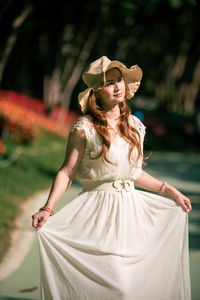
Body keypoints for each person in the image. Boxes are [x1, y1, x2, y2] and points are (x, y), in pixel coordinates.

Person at [32, 56, 192, 300]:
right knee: (117, 287)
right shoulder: (84, 127)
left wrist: (171, 191)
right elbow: (67, 171)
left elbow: (135, 172)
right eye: (110, 83)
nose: (118, 86)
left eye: (120, 81)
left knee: (133, 286)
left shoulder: (136, 126)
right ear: (97, 91)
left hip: (131, 212)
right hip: (97, 212)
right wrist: (48, 208)